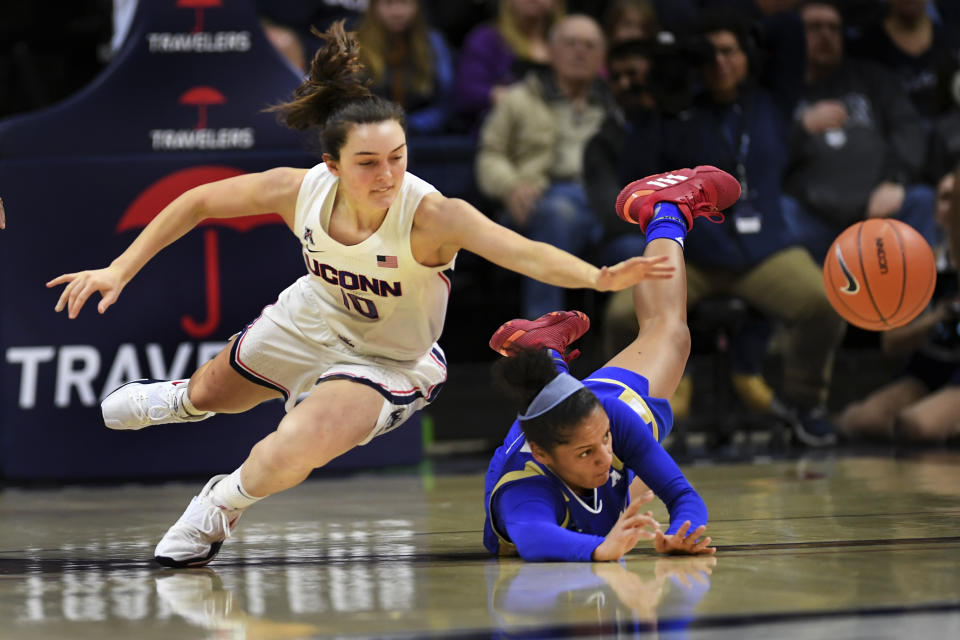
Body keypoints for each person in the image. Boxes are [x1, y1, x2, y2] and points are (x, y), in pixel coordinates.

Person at [45, 22, 673, 569]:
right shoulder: (301, 191)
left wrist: (596, 277)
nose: (388, 175)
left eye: (397, 157)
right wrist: (118, 270)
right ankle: (183, 400)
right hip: (312, 316)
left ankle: (220, 505)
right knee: (214, 394)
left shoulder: (431, 216)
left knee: (292, 446)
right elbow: (199, 199)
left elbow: (517, 248)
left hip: (390, 359)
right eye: (369, 162)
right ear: (333, 165)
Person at [606, 9, 845, 444]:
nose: (719, 61)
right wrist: (661, 92)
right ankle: (637, 413)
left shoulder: (773, 99)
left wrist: (719, 20)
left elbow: (788, 26)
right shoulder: (676, 107)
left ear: (748, 54)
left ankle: (804, 403)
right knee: (623, 315)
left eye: (729, 51)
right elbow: (635, 171)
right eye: (709, 53)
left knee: (823, 303)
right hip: (690, 255)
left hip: (763, 252)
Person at [483, 165, 740, 562]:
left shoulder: (611, 419)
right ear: (543, 455)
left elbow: (681, 495)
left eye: (604, 441)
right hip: (552, 441)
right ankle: (545, 352)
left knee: (669, 333)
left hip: (587, 412)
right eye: (587, 453)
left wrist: (675, 530)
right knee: (639, 491)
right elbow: (535, 539)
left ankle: (665, 210)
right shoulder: (525, 490)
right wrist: (675, 537)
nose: (605, 456)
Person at [476, 13, 618, 319]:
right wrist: (510, 185)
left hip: (605, 201)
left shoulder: (615, 104)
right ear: (550, 52)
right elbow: (490, 153)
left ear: (602, 57)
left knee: (645, 240)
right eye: (571, 43)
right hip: (543, 197)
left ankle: (636, 347)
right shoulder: (519, 98)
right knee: (557, 214)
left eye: (590, 45)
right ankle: (544, 341)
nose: (580, 51)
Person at [781, 0, 937, 264]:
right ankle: (812, 301)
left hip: (879, 208)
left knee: (921, 200)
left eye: (834, 28)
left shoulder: (872, 78)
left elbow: (907, 129)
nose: (826, 36)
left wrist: (896, 179)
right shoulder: (779, 90)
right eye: (814, 28)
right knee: (780, 211)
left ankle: (921, 303)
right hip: (811, 216)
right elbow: (760, 154)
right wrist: (801, 128)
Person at [835, 171, 960, 444]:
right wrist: (938, 317)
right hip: (928, 368)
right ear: (936, 211)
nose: (951, 207)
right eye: (945, 198)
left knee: (916, 426)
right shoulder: (919, 268)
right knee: (863, 421)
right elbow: (890, 344)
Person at [453, 0, 564, 133]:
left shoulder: (571, 41)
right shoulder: (486, 39)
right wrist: (503, 97)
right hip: (503, 134)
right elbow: (466, 93)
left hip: (561, 131)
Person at [355, 0, 455, 134]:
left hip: (423, 134)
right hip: (368, 132)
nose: (397, 12)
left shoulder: (434, 43)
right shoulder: (355, 45)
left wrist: (412, 125)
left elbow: (446, 102)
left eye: (405, 3)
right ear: (373, 7)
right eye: (388, 3)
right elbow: (346, 102)